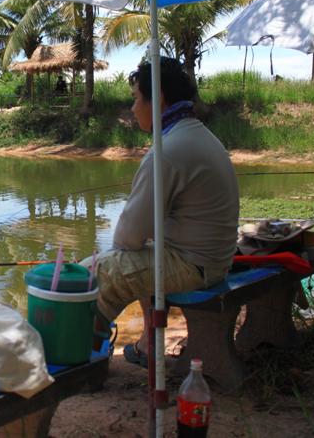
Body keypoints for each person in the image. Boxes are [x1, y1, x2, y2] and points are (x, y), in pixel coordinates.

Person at [80, 57, 239, 366]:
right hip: (215, 260)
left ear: (159, 98)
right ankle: (147, 344)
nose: (133, 107)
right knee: (141, 258)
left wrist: (104, 260)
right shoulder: (197, 134)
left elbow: (128, 237)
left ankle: (86, 365)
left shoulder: (166, 151)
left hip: (195, 266)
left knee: (95, 274)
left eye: (136, 98)